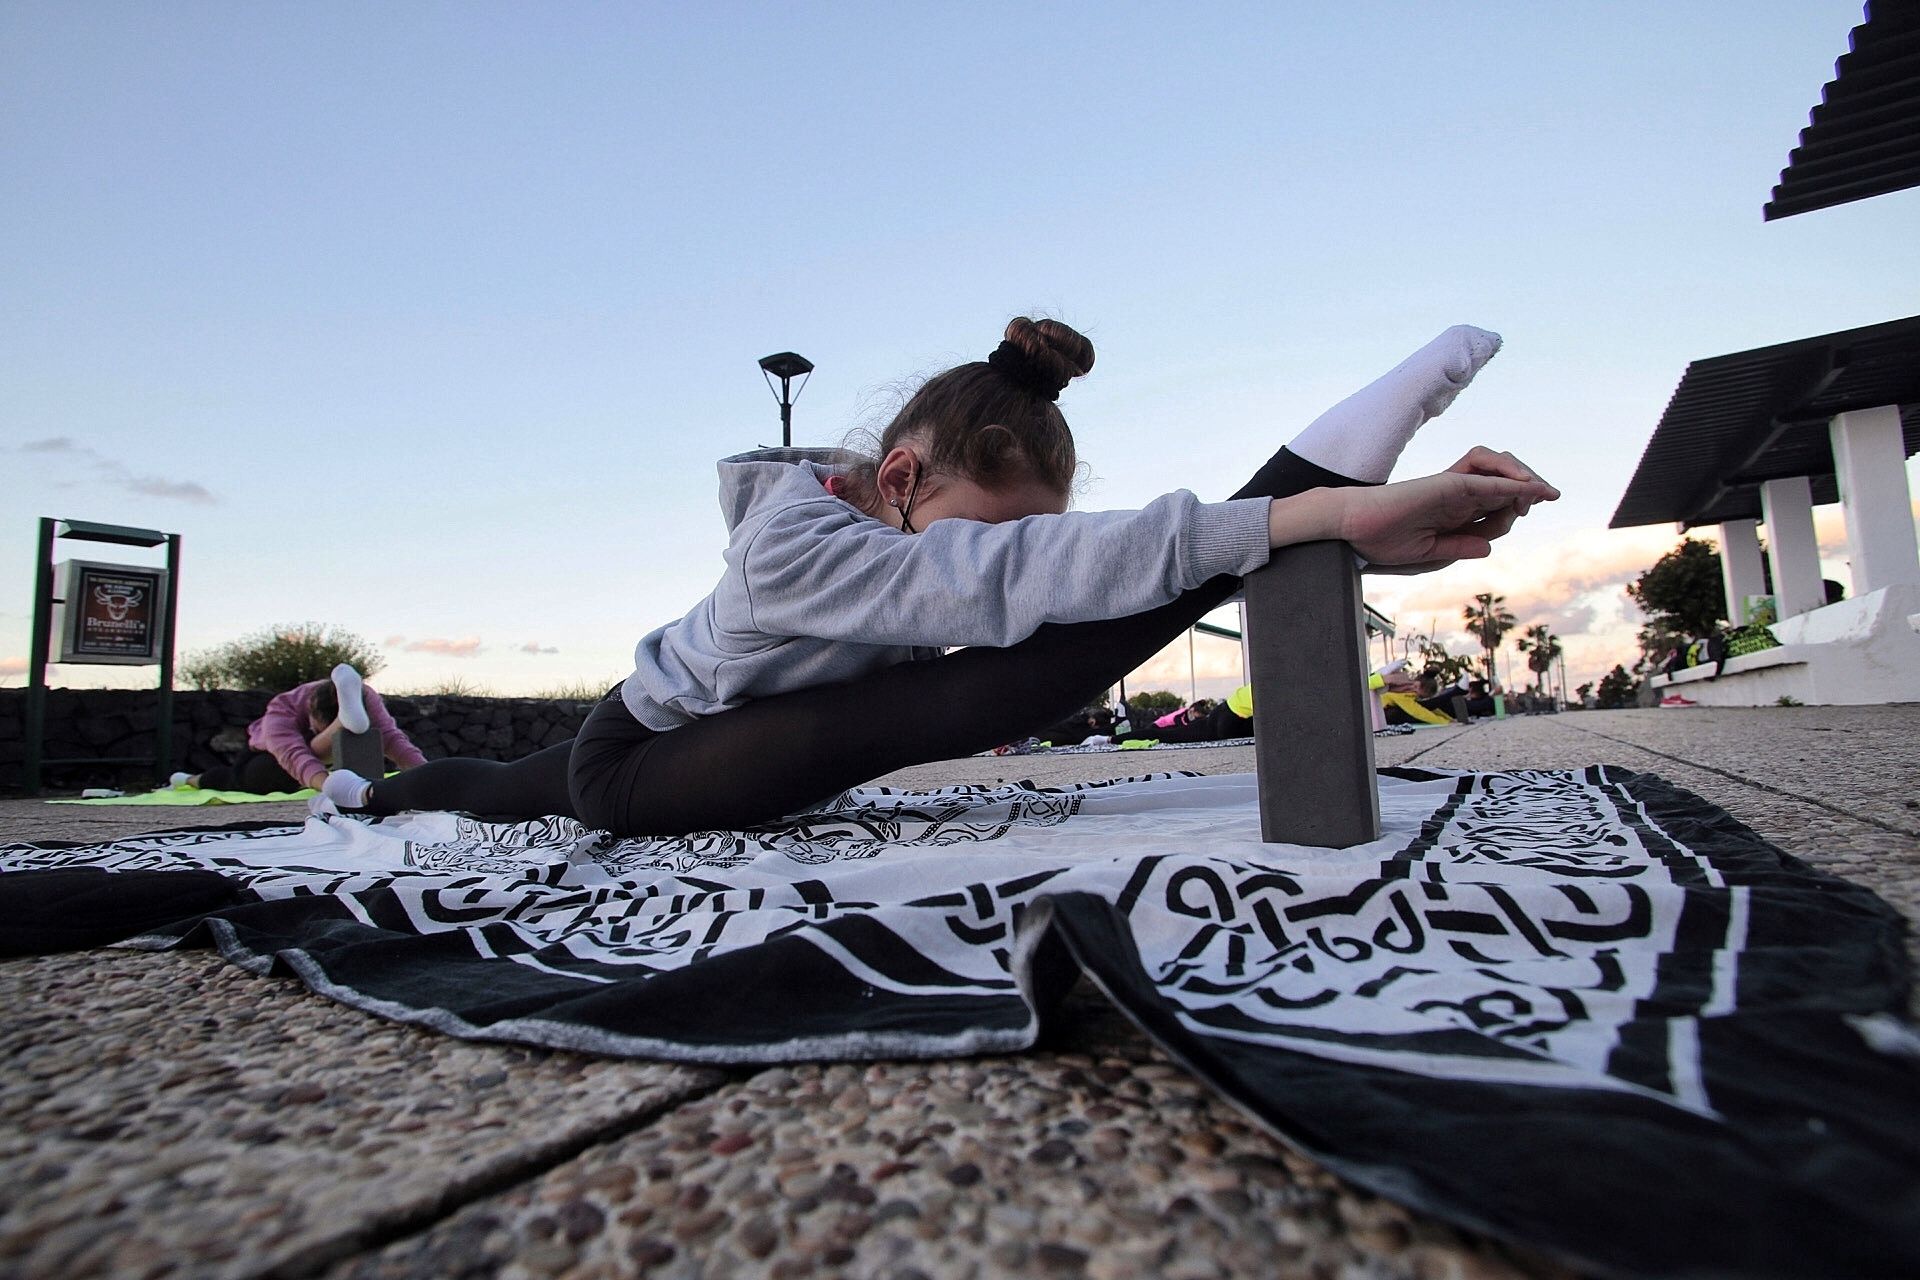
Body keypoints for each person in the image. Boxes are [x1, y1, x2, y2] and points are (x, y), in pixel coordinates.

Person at [323, 317, 1556, 834]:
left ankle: (373, 794)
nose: (994, 560)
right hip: (638, 755)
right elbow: (1008, 583)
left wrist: (1304, 519)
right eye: (980, 531)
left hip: (721, 729)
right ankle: (1301, 485)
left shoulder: (894, 525)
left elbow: (1052, 578)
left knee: (485, 789)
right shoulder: (798, 543)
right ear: (903, 475)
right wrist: (1315, 512)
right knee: (979, 698)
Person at [184, 664, 426, 794]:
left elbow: (393, 739)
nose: (314, 729)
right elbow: (294, 755)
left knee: (365, 738)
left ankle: (343, 725)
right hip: (267, 756)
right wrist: (335, 788)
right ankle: (189, 780)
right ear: (309, 708)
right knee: (237, 779)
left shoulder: (364, 696)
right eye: (318, 726)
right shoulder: (281, 709)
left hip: (328, 750)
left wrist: (427, 773)